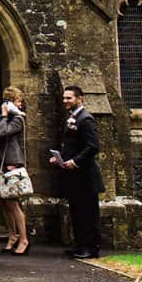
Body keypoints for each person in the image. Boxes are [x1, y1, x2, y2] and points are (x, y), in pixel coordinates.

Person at [50, 83, 103, 258]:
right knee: (76, 212)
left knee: (88, 212)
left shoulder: (85, 119)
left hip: (86, 175)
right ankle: (80, 246)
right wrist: (60, 158)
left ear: (79, 99)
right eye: (64, 97)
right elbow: (71, 144)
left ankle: (91, 248)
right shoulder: (71, 118)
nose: (65, 100)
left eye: (68, 98)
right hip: (74, 176)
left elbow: (93, 147)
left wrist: (76, 161)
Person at [0, 86, 32, 256]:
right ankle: (12, 235)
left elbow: (2, 132)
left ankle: (23, 239)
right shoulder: (6, 117)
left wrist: (4, 116)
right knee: (5, 204)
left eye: (19, 101)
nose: (19, 105)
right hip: (1, 163)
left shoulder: (17, 120)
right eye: (17, 101)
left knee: (14, 204)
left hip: (12, 162)